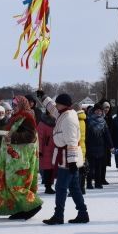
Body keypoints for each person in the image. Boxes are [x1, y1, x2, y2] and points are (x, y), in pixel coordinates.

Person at [0, 95, 42, 220]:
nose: (14, 107)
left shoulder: (27, 117)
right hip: (12, 157)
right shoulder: (15, 117)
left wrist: (13, 136)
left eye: (15, 105)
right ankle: (21, 208)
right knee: (11, 182)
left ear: (22, 105)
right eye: (13, 105)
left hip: (20, 158)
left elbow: (31, 136)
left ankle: (33, 205)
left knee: (14, 183)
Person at [44, 93, 89, 225]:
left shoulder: (68, 118)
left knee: (61, 187)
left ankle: (59, 215)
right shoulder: (63, 113)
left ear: (63, 104)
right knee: (74, 187)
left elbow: (72, 141)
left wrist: (72, 161)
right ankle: (82, 213)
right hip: (66, 158)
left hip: (67, 159)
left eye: (58, 103)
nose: (55, 105)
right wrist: (43, 97)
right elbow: (52, 108)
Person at [85, 104, 113, 189]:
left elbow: (107, 135)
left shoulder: (103, 122)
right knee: (90, 167)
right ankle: (89, 183)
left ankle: (98, 183)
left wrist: (111, 146)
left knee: (99, 167)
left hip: (101, 147)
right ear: (94, 111)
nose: (98, 112)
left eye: (100, 111)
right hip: (90, 147)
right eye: (97, 110)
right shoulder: (88, 121)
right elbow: (86, 135)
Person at [36, 101, 57, 194]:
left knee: (53, 169)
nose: (54, 111)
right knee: (48, 169)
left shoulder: (58, 120)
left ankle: (51, 185)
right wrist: (39, 150)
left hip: (56, 148)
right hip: (46, 149)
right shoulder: (42, 123)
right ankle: (48, 186)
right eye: (52, 109)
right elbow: (39, 138)